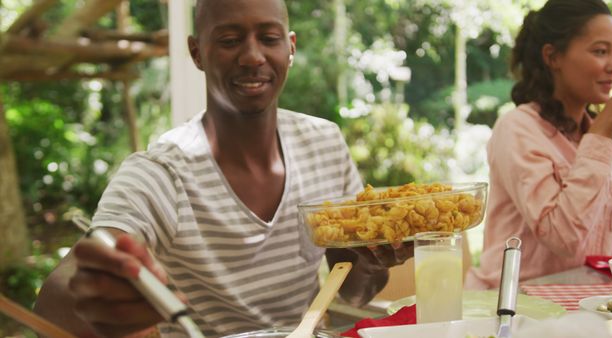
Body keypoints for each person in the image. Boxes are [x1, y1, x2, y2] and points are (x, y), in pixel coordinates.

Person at [33, 0, 412, 336]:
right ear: (197, 52)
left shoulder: (324, 144)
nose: (252, 56)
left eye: (269, 38)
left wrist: (373, 260)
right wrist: (93, 295)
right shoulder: (161, 173)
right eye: (230, 40)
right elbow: (58, 298)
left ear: (290, 48)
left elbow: (353, 291)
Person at [466, 0, 612, 289]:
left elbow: (591, 239)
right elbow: (564, 237)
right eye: (600, 51)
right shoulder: (517, 128)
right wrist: (601, 135)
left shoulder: (587, 135)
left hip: (575, 303)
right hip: (515, 308)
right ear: (553, 56)